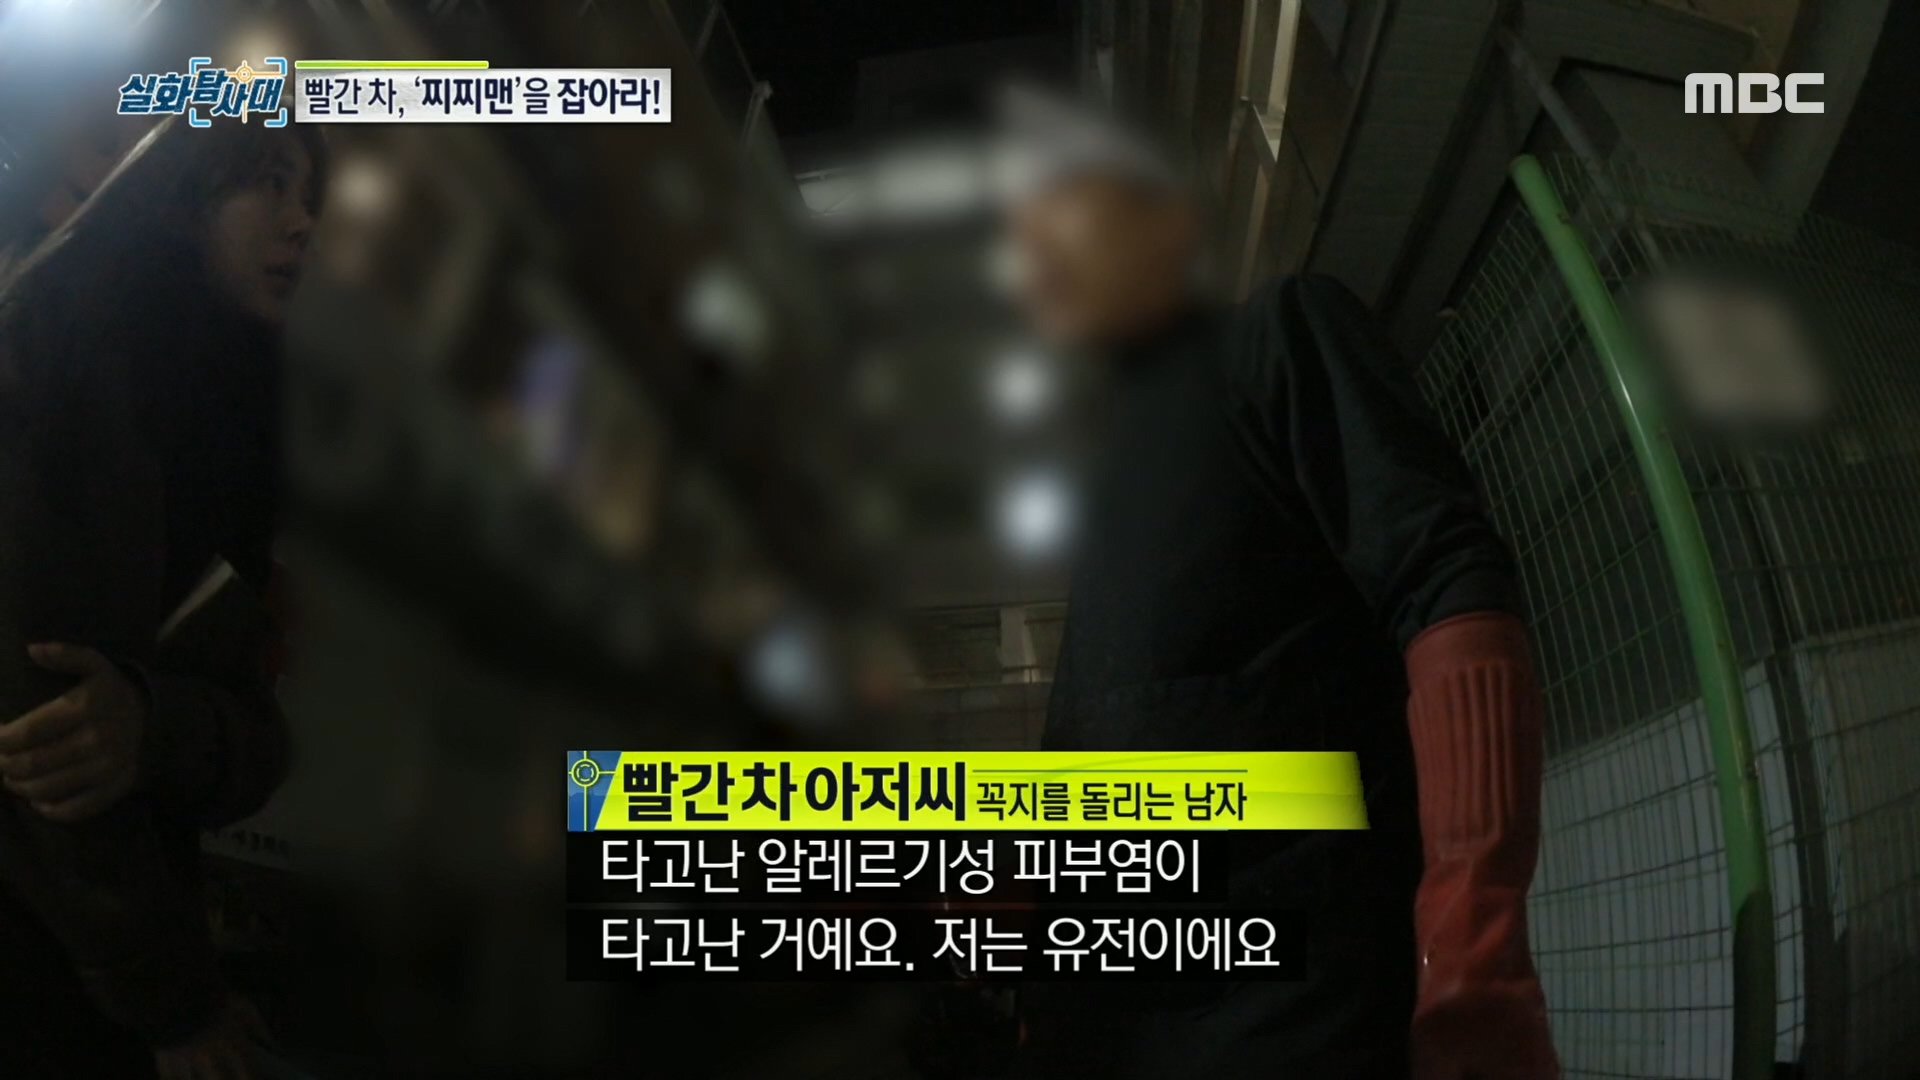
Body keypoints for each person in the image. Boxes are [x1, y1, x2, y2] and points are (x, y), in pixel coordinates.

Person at [994, 90, 1559, 1079]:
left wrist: (1474, 946)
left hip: (1297, 1025)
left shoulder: (1280, 340)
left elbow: (1447, 581)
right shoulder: (1110, 508)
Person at [0, 113, 323, 1079]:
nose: (303, 222)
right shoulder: (63, 372)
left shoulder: (229, 428)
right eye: (269, 182)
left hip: (103, 968)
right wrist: (176, 1006)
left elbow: (256, 735)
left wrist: (150, 724)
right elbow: (42, 747)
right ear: (181, 200)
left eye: (309, 195)